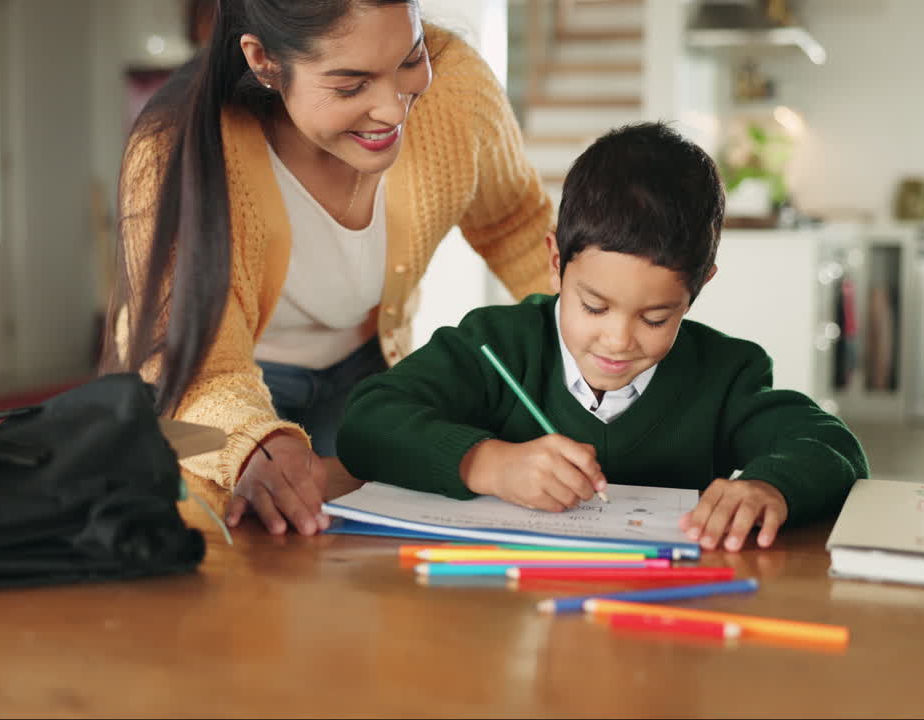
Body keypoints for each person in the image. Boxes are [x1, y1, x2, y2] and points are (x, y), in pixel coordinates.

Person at [105, 0, 554, 536]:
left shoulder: (455, 86)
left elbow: (514, 224)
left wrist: (588, 339)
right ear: (264, 61)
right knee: (243, 571)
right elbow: (198, 364)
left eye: (410, 59)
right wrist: (255, 441)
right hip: (223, 394)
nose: (392, 108)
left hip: (366, 371)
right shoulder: (173, 151)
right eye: (350, 86)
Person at [336, 122, 869, 552]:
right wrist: (490, 463)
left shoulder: (725, 373)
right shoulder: (496, 345)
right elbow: (366, 422)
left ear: (698, 287)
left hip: (663, 621)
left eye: (656, 318)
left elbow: (833, 446)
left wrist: (768, 485)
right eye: (593, 306)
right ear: (554, 263)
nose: (618, 340)